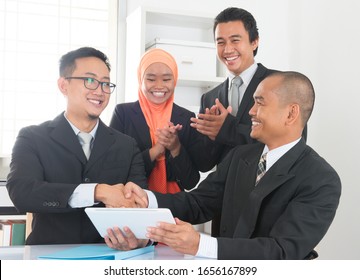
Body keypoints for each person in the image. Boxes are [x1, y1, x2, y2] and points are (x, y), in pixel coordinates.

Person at [118, 71, 341, 260]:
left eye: (260, 102)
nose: (251, 111)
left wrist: (201, 245)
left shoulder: (320, 179)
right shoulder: (240, 156)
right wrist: (147, 199)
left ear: (291, 113)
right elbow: (198, 203)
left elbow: (282, 251)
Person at [6, 47, 148, 246]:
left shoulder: (127, 145)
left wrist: (139, 241)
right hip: (47, 256)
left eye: (106, 83)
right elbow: (22, 193)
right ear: (63, 85)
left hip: (109, 257)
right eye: (90, 80)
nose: (100, 91)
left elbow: (139, 209)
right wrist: (96, 191)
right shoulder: (33, 137)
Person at [190, 7, 307, 236]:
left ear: (254, 42)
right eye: (220, 42)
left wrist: (228, 130)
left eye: (235, 40)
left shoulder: (280, 84)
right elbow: (205, 163)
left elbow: (295, 139)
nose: (227, 49)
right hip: (224, 205)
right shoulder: (210, 96)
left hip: (266, 203)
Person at [109, 48, 212, 193]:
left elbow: (191, 182)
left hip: (175, 206)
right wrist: (157, 149)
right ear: (140, 79)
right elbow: (114, 170)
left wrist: (176, 148)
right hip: (133, 201)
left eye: (166, 79)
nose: (159, 85)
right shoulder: (123, 114)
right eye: (151, 79)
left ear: (174, 79)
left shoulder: (186, 117)